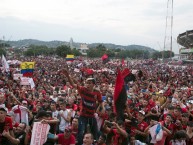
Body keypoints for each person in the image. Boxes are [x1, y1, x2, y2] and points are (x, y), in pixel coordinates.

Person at [61, 69, 104, 145]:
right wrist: (67, 75)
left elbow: (101, 101)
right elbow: (73, 85)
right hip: (83, 116)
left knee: (96, 132)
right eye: (86, 83)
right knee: (81, 133)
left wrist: (102, 107)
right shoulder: (83, 90)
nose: (87, 84)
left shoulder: (97, 92)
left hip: (91, 116)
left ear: (93, 84)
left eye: (89, 83)